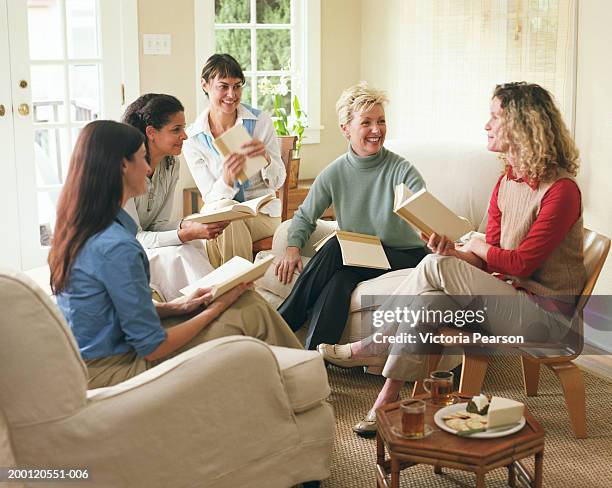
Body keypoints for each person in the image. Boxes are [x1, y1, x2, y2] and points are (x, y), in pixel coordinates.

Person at [320, 82, 587, 436]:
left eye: (494, 117)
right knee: (429, 296)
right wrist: (455, 251)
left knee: (432, 267)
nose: (486, 126)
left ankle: (378, 341)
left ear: (523, 125)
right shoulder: (506, 181)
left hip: (548, 320)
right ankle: (385, 400)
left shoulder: (562, 191)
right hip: (508, 301)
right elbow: (489, 263)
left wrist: (474, 244)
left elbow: (521, 264)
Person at [49, 120, 302, 389]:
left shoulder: (86, 227)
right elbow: (153, 347)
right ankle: (303, 381)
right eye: (142, 159)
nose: (148, 169)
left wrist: (180, 307)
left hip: (98, 358)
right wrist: (217, 307)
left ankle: (288, 381)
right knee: (249, 311)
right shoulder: (117, 246)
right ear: (123, 166)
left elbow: (116, 312)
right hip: (114, 369)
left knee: (245, 303)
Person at [275, 82, 429, 351]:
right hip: (361, 256)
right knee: (339, 279)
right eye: (366, 122)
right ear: (346, 128)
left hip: (406, 255)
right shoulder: (334, 172)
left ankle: (282, 322)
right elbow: (305, 216)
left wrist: (430, 228)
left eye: (381, 121)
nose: (376, 130)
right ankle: (316, 356)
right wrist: (292, 248)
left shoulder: (402, 170)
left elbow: (425, 212)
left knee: (337, 246)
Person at [122, 93, 229, 301]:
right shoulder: (124, 170)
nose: (185, 136)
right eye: (176, 130)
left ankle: (214, 299)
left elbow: (158, 224)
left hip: (144, 241)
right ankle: (215, 300)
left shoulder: (171, 164)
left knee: (194, 245)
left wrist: (189, 224)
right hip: (127, 250)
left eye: (184, 128)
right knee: (181, 253)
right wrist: (184, 233)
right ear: (151, 132)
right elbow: (134, 238)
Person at [182, 53, 285, 267]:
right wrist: (227, 180)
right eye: (223, 86)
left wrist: (266, 159)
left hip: (262, 215)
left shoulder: (259, 122)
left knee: (224, 221)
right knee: (225, 212)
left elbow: (278, 182)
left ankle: (230, 290)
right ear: (205, 84)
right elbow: (210, 197)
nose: (232, 94)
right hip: (222, 212)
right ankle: (241, 289)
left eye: (237, 86)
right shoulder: (193, 138)